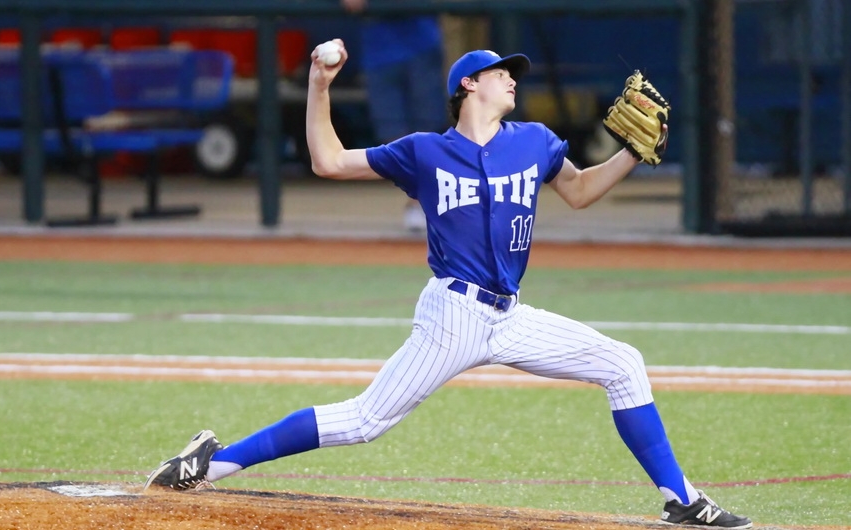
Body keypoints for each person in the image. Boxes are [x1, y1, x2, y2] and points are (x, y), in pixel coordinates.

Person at [145, 41, 753, 529]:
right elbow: (328, 161)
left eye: (512, 73)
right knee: (363, 421)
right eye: (500, 72)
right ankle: (212, 462)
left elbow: (580, 191)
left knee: (623, 364)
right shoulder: (424, 152)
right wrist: (319, 85)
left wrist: (629, 154)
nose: (511, 79)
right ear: (467, 85)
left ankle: (681, 500)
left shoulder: (535, 142)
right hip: (453, 316)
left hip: (511, 316)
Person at [341, 0, 447, 232]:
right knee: (391, 132)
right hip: (378, 51)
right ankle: (419, 199)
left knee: (428, 127)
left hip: (422, 44)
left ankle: (422, 202)